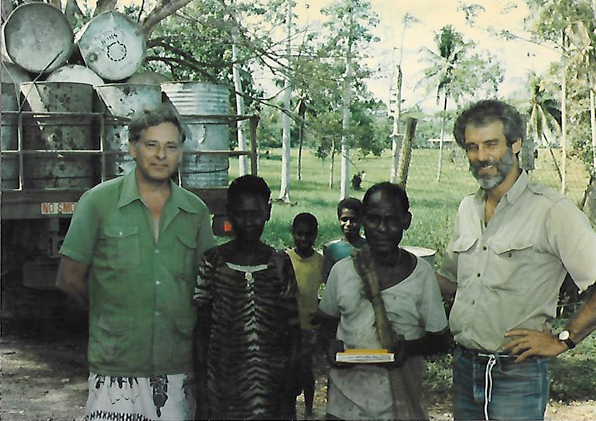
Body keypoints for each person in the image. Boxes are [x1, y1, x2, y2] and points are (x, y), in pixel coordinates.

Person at [436, 99, 596, 420]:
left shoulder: (551, 210)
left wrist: (563, 340)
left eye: (491, 144)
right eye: (472, 147)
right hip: (464, 369)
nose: (482, 157)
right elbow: (449, 281)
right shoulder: (467, 208)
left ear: (516, 143)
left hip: (517, 375)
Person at [56, 104, 216, 420]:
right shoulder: (98, 202)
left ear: (180, 152)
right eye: (151, 145)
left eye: (171, 146)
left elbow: (206, 285)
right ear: (133, 148)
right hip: (116, 369)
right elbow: (69, 278)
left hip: (176, 368)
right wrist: (110, 314)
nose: (161, 155)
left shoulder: (195, 212)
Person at [318, 182, 449, 420]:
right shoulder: (342, 271)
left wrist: (407, 349)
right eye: (373, 219)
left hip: (398, 406)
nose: (381, 228)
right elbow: (326, 322)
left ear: (406, 221)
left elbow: (439, 340)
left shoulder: (420, 275)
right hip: (344, 405)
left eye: (391, 220)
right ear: (363, 220)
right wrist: (330, 346)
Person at [193, 175, 301, 420]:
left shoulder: (280, 263)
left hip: (273, 385)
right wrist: (202, 390)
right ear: (229, 214)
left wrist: (289, 388)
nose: (249, 222)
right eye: (241, 214)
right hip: (223, 383)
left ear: (268, 212)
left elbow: (294, 331)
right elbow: (201, 330)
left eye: (256, 214)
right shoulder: (213, 262)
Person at [286, 212, 325, 420]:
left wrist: (321, 312)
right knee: (290, 370)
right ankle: (291, 410)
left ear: (315, 236)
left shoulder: (320, 261)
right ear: (293, 234)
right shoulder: (285, 259)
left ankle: (309, 409)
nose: (303, 239)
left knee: (307, 370)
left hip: (309, 327)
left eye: (308, 235)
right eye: (299, 234)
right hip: (289, 326)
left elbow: (329, 289)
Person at [322, 197, 367, 280]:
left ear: (362, 220)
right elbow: (328, 278)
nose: (348, 224)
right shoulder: (331, 250)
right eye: (344, 219)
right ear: (339, 220)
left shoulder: (369, 247)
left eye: (353, 220)